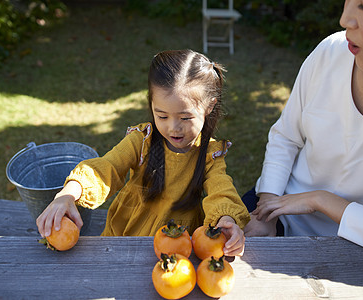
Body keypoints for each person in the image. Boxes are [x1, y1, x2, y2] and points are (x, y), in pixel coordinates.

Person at [37, 49, 250, 257]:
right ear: (152, 104)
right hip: (127, 236)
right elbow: (107, 167)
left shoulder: (209, 155)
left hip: (177, 246)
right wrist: (68, 194)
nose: (173, 127)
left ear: (209, 107)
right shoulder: (142, 141)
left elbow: (220, 189)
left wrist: (227, 219)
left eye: (185, 118)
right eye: (162, 116)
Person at [243, 0, 363, 261]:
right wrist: (265, 210)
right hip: (278, 209)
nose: (345, 19)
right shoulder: (331, 51)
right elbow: (286, 137)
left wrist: (322, 201)